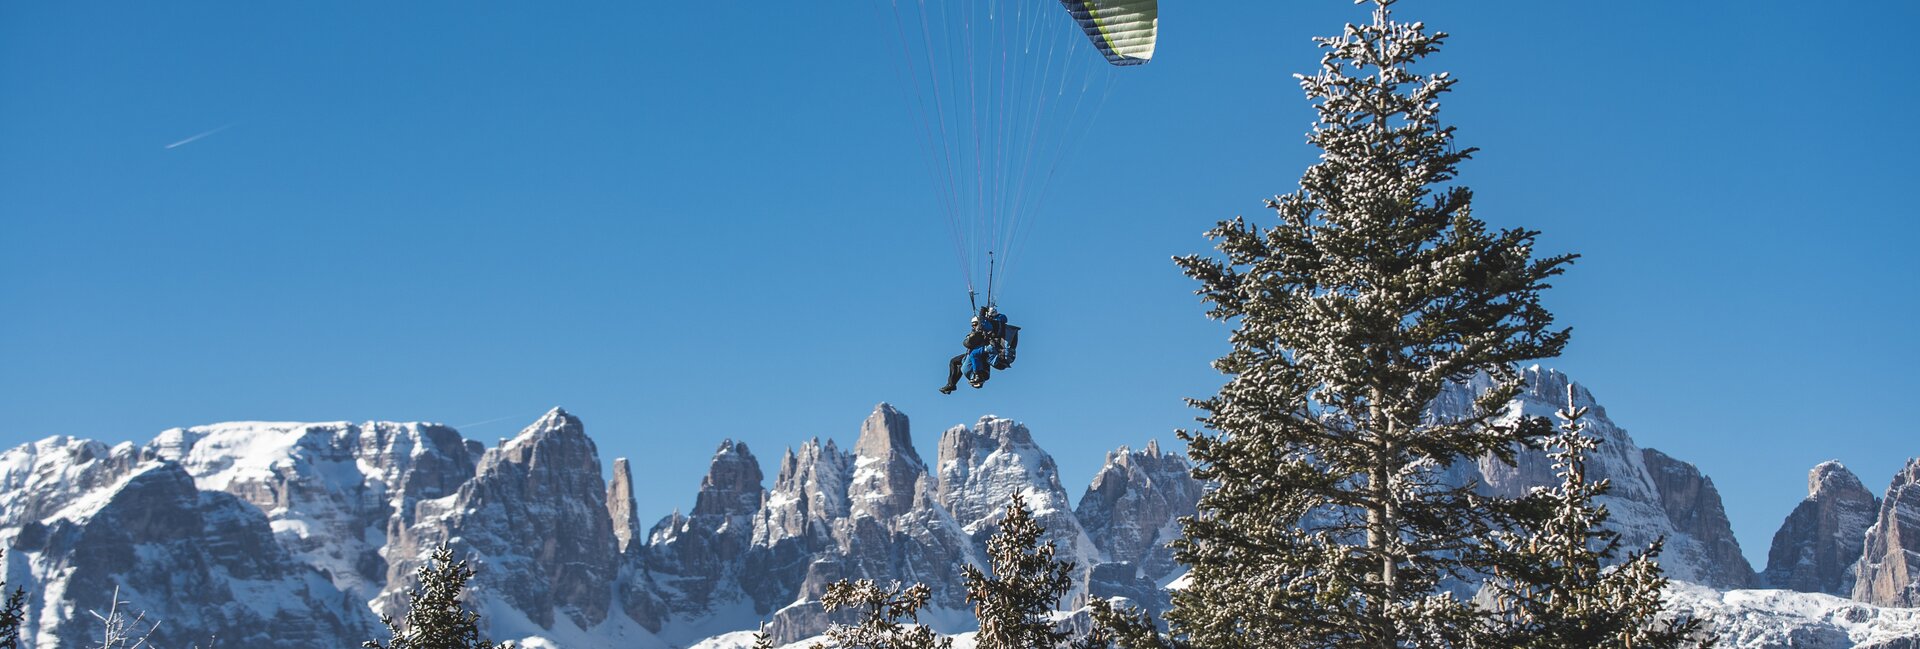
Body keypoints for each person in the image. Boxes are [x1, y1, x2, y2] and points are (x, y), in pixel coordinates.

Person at [939, 308, 1020, 394]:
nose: (974, 327)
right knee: (954, 361)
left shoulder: (995, 324)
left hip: (991, 350)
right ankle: (951, 384)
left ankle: (978, 375)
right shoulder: (994, 324)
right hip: (987, 350)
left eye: (974, 324)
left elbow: (985, 326)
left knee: (974, 354)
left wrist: (982, 315)